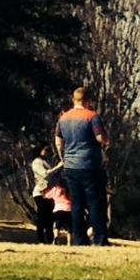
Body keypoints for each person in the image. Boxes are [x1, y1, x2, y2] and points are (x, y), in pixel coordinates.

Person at [54, 87, 110, 246]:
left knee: (76, 203)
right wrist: (108, 141)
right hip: (90, 164)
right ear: (88, 101)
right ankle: (99, 238)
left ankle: (79, 239)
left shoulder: (63, 118)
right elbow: (100, 138)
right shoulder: (92, 116)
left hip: (71, 166)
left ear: (73, 100)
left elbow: (58, 142)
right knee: (95, 202)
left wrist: (63, 159)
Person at [31, 144, 62, 245]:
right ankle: (41, 238)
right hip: (40, 192)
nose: (48, 152)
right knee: (42, 216)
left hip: (49, 192)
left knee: (50, 217)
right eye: (46, 150)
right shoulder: (37, 162)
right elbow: (45, 174)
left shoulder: (46, 161)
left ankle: (49, 239)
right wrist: (57, 167)